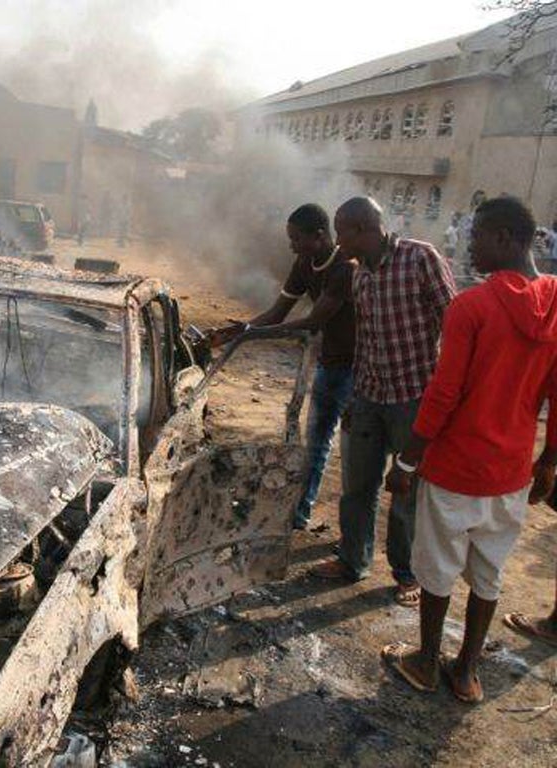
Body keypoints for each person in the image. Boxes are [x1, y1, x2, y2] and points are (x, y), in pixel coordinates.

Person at [380, 196, 557, 703]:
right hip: (511, 473)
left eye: (477, 234)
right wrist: (548, 461)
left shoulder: (472, 306)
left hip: (456, 468)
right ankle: (467, 672)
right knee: (488, 573)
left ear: (504, 237)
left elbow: (443, 394)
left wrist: (408, 459)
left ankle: (425, 662)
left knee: (437, 569)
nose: (469, 244)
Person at [311, 197, 456, 607]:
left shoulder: (420, 259)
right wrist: (355, 398)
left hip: (414, 398)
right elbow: (367, 342)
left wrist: (443, 397)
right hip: (370, 397)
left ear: (360, 229)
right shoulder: (359, 276)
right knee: (357, 485)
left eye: (341, 232)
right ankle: (353, 559)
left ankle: (406, 572)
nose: (338, 242)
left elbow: (455, 325)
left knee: (406, 492)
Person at [211, 203, 357, 530]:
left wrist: (254, 334)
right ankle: (299, 514)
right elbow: (277, 313)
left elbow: (313, 321)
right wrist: (239, 331)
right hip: (329, 364)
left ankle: (350, 537)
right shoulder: (305, 261)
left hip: (358, 371)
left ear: (319, 236)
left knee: (355, 459)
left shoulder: (345, 269)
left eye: (296, 239)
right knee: (316, 444)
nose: (291, 245)